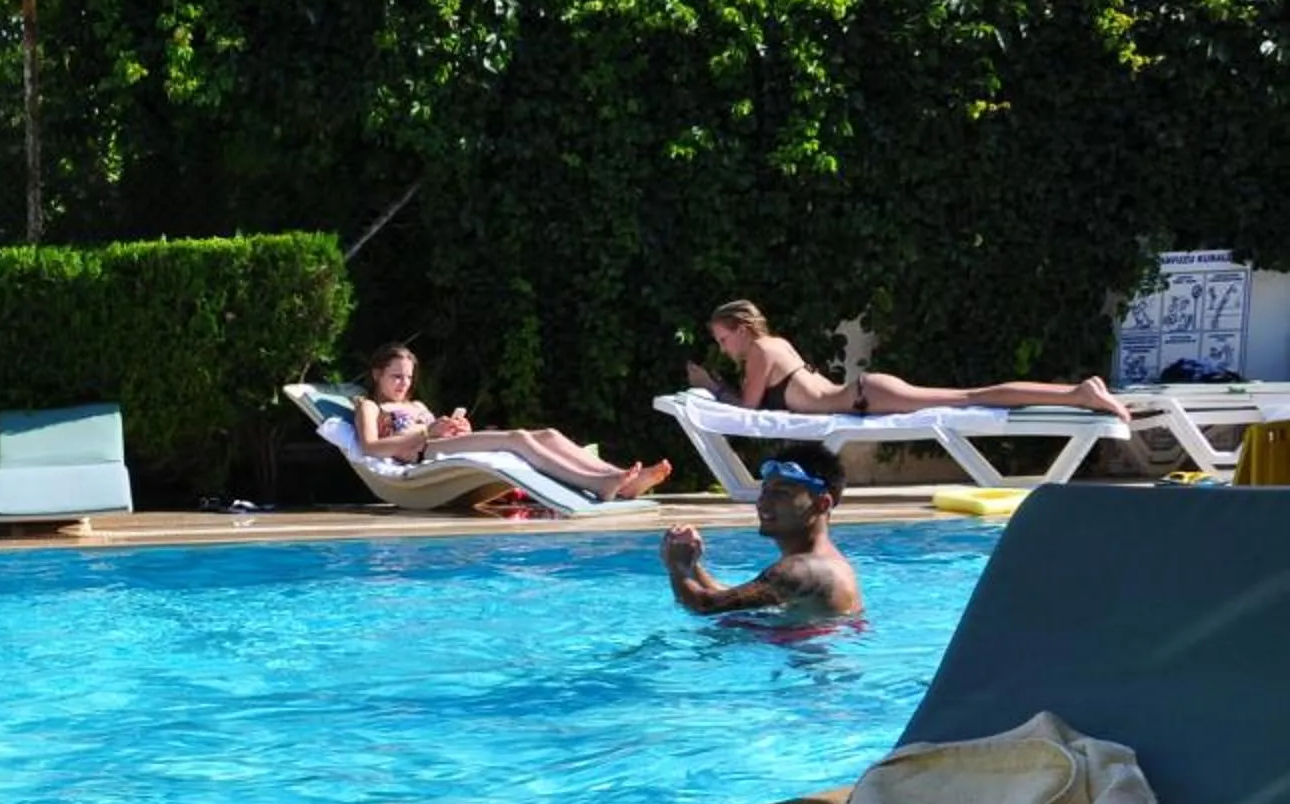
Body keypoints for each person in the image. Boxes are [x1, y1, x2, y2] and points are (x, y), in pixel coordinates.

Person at [689, 299, 1126, 420]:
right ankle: (1077, 394)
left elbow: (746, 411)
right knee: (972, 396)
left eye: (724, 339)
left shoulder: (761, 352)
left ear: (743, 330)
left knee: (974, 397)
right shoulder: (777, 344)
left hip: (865, 397)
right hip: (863, 393)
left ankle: (1079, 394)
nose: (724, 348)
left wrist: (710, 388)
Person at [353, 345, 673, 501]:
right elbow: (370, 446)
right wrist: (427, 431)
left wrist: (454, 427)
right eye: (396, 376)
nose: (403, 384)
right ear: (377, 374)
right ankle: (595, 483)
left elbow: (433, 429)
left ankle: (617, 477)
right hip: (422, 452)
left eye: (408, 377)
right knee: (517, 437)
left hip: (438, 443)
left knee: (548, 433)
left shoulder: (417, 404)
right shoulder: (370, 406)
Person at [659, 442, 862, 620]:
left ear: (822, 504)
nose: (763, 502)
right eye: (765, 490)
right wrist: (692, 566)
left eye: (782, 493)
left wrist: (677, 566)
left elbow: (706, 606)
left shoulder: (801, 570)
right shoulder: (822, 562)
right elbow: (732, 597)